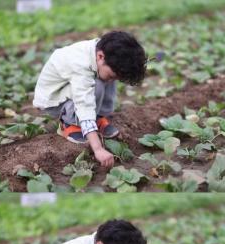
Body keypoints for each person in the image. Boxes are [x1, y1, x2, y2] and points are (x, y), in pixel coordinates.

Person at [33, 31, 147, 169]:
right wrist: (98, 149)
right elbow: (84, 103)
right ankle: (69, 124)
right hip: (53, 101)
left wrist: (111, 77)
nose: (113, 79)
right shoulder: (80, 65)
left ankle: (97, 117)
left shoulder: (104, 51)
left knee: (105, 78)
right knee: (98, 85)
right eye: (112, 75)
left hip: (70, 89)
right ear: (100, 56)